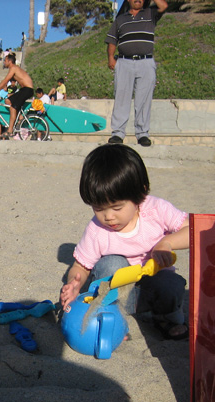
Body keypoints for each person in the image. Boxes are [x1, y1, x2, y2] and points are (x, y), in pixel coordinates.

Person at [60, 144, 189, 340]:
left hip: (155, 290)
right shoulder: (97, 230)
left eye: (117, 208)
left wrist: (167, 243)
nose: (108, 217)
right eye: (98, 208)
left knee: (170, 283)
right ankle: (116, 319)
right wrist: (74, 283)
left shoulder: (156, 210)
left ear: (141, 193)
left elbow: (194, 230)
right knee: (111, 264)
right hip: (120, 295)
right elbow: (81, 266)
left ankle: (166, 319)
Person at [105, 0, 168, 147]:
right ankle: (118, 133)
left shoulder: (150, 14)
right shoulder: (120, 19)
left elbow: (163, 6)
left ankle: (142, 134)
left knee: (144, 99)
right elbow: (112, 39)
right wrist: (110, 58)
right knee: (121, 97)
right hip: (124, 62)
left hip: (146, 62)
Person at [0, 53, 34, 140]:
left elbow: (5, 81)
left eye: (5, 61)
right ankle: (18, 118)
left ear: (10, 61)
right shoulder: (14, 68)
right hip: (24, 89)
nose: (4, 63)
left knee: (13, 107)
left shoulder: (13, 68)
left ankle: (10, 130)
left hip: (27, 89)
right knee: (8, 101)